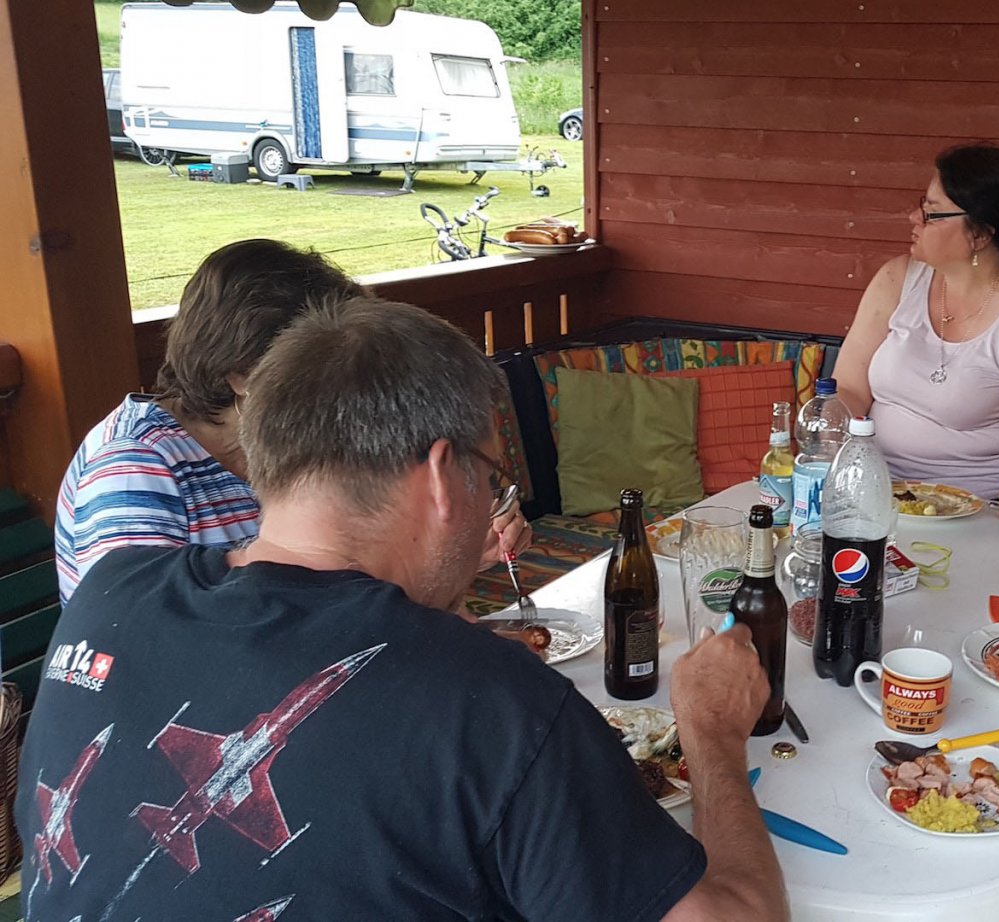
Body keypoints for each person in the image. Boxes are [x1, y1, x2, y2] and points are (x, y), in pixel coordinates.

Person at [17, 295, 788, 921]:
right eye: (492, 476)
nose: (493, 502)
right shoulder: (495, 705)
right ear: (444, 477)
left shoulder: (111, 589)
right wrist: (712, 735)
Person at [52, 239, 525, 605]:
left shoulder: (307, 439)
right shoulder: (134, 468)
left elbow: (347, 581)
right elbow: (149, 646)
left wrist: (449, 547)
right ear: (242, 374)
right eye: (317, 361)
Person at [831, 143, 999, 520]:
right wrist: (825, 434)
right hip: (874, 494)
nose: (913, 217)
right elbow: (849, 388)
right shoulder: (896, 279)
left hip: (980, 510)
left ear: (980, 235)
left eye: (931, 213)